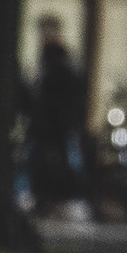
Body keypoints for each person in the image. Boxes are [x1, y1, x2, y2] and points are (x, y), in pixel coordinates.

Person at [27, 14, 96, 220]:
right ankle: (47, 199)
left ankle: (77, 199)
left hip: (60, 125)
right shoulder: (45, 62)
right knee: (43, 161)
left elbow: (72, 95)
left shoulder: (61, 62)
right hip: (47, 125)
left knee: (70, 160)